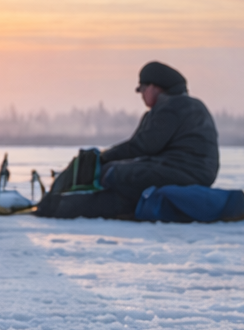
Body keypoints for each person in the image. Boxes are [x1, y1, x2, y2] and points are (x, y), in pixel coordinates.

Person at [36, 60, 219, 219]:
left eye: (142, 89)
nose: (142, 95)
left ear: (154, 87)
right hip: (193, 170)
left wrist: (104, 158)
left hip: (185, 170)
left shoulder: (170, 107)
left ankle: (63, 205)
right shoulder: (187, 105)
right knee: (118, 172)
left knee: (113, 173)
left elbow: (144, 146)